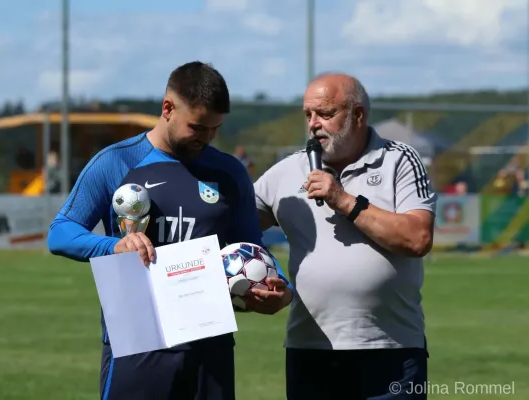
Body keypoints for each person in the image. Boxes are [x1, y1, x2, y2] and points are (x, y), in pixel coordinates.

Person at [47, 61, 292, 400]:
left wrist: (279, 286)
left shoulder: (229, 172)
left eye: (214, 129)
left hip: (211, 342)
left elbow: (251, 245)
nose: (206, 138)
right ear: (167, 109)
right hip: (137, 343)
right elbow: (60, 232)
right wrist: (113, 247)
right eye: (197, 127)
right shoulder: (116, 162)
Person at [254, 73, 436, 399]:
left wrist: (344, 200)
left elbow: (417, 238)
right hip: (310, 350)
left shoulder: (399, 160)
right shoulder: (287, 171)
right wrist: (261, 277)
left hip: (391, 350)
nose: (313, 124)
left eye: (325, 114)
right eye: (308, 114)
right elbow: (232, 225)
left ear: (358, 115)